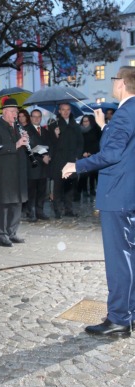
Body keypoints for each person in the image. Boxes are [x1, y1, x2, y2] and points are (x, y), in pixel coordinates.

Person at [62, 66, 135, 337]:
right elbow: (124, 149)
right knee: (130, 257)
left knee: (119, 260)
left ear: (121, 84)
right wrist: (105, 126)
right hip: (130, 194)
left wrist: (77, 165)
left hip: (117, 195)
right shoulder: (130, 113)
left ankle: (118, 319)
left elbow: (112, 154)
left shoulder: (126, 112)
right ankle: (129, 312)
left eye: (114, 79)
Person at [0, 98, 28, 247]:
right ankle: (2, 235)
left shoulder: (17, 128)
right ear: (4, 112)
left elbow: (20, 148)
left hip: (18, 170)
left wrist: (25, 141)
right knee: (4, 204)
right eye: (12, 111)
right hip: (3, 172)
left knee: (17, 202)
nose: (15, 114)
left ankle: (12, 232)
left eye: (16, 112)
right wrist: (16, 144)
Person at [47, 103, 83, 218]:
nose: (66, 112)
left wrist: (77, 156)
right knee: (57, 187)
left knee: (69, 186)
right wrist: (55, 135)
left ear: (70, 111)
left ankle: (69, 210)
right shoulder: (53, 125)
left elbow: (80, 143)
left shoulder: (75, 125)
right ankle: (57, 210)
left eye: (68, 110)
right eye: (63, 110)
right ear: (59, 111)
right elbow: (51, 144)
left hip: (71, 160)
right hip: (58, 160)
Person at [26, 109, 51, 221]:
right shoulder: (26, 130)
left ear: (41, 118)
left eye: (39, 117)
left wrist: (49, 156)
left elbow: (51, 145)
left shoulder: (46, 132)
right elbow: (29, 148)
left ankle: (40, 212)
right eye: (34, 116)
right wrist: (42, 157)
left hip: (44, 166)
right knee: (31, 192)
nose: (36, 119)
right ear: (30, 118)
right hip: (33, 165)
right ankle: (30, 213)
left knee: (42, 191)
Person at [76, 114, 101, 199]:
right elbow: (78, 143)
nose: (85, 123)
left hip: (93, 155)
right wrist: (82, 152)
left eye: (87, 121)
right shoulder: (79, 131)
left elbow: (98, 143)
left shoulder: (95, 130)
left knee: (93, 174)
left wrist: (91, 152)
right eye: (84, 121)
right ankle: (80, 192)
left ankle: (91, 189)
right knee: (83, 174)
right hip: (83, 155)